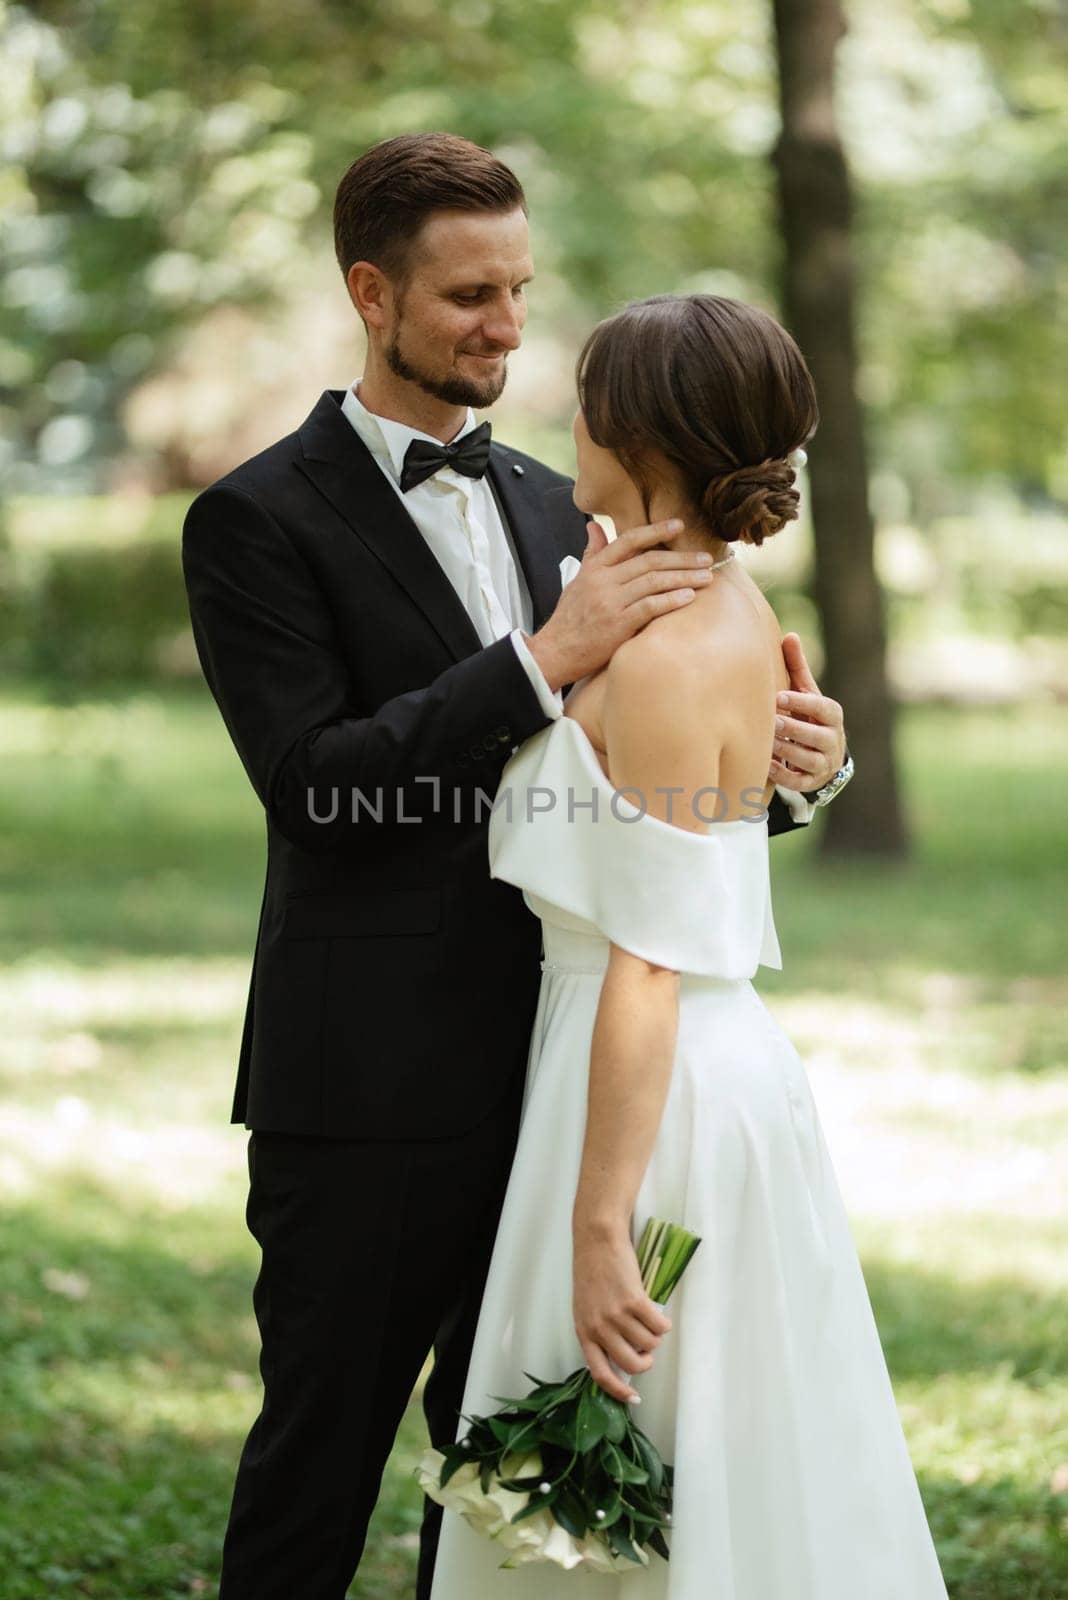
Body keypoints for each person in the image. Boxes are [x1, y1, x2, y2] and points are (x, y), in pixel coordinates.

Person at [180, 134, 849, 1600]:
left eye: (520, 289)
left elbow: (650, 798)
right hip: (367, 1093)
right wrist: (539, 659)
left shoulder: (569, 506)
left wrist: (799, 764)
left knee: (497, 1499)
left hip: (570, 1085)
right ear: (372, 293)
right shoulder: (252, 523)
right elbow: (318, 793)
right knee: (318, 1464)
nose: (505, 324)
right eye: (469, 295)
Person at [429, 294, 947, 1599]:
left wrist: (602, 1221)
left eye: (591, 402)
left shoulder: (664, 658)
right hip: (641, 1063)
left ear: (643, 434)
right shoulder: (708, 596)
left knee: (656, 1445)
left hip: (650, 1092)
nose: (568, 423)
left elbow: (650, 957)